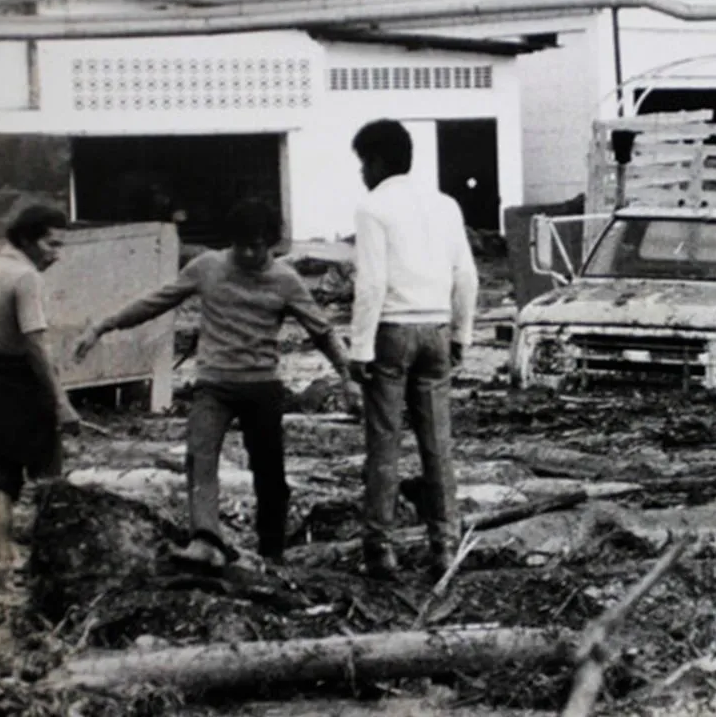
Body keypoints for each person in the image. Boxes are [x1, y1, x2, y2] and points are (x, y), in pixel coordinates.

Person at [74, 199, 360, 569]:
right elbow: (156, 301)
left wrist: (347, 377)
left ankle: (272, 552)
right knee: (200, 455)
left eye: (257, 245)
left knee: (269, 472)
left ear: (272, 243)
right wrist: (103, 325)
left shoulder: (287, 281)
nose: (249, 252)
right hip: (214, 386)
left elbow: (322, 332)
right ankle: (205, 540)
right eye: (241, 244)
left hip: (262, 387)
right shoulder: (207, 267)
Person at [348, 119, 479, 581]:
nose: (362, 173)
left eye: (363, 163)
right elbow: (466, 276)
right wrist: (462, 333)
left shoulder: (373, 208)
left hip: (392, 332)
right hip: (436, 328)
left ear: (378, 161)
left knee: (384, 442)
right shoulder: (444, 205)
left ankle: (379, 549)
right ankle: (444, 545)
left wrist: (359, 347)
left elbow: (372, 283)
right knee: (437, 445)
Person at [0, 204, 82, 590]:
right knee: (50, 478)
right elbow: (36, 346)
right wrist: (61, 402)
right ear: (28, 239)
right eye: (51, 243)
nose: (55, 253)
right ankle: (49, 568)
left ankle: (2, 561)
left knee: (3, 478)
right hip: (25, 383)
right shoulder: (25, 277)